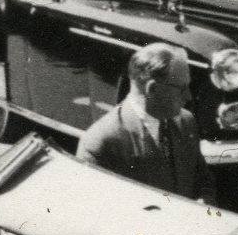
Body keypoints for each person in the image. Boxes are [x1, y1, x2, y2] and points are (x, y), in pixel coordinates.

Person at [76, 44, 204, 198]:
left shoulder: (186, 122)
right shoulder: (100, 143)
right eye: (181, 89)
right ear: (153, 89)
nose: (188, 96)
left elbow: (203, 182)